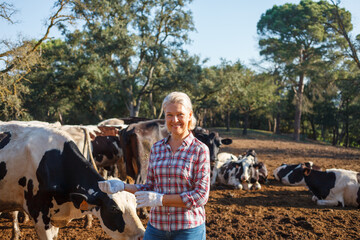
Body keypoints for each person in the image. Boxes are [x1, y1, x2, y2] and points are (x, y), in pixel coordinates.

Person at [98, 91, 210, 240]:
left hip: (188, 228)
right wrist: (122, 187)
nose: (174, 119)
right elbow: (150, 187)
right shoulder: (157, 148)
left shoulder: (199, 150)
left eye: (180, 114)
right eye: (169, 114)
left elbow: (201, 196)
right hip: (157, 227)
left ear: (190, 115)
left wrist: (161, 200)